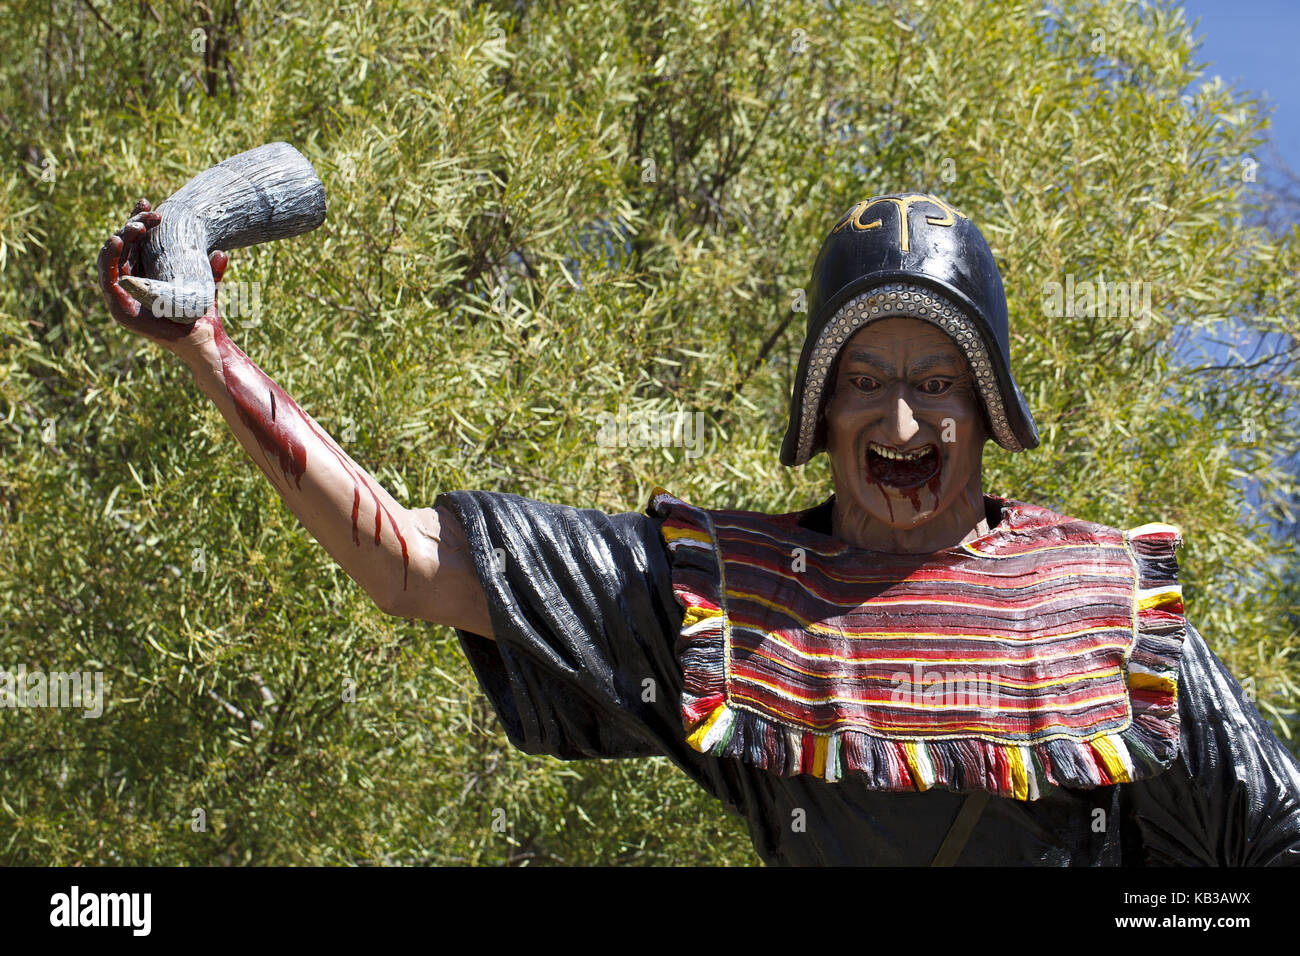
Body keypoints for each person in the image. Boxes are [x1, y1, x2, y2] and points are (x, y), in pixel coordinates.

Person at [99, 191, 1300, 865]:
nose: (900, 415)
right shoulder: (730, 599)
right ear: (818, 412)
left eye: (938, 381)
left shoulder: (1101, 607)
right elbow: (411, 565)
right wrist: (209, 352)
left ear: (987, 407)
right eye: (862, 377)